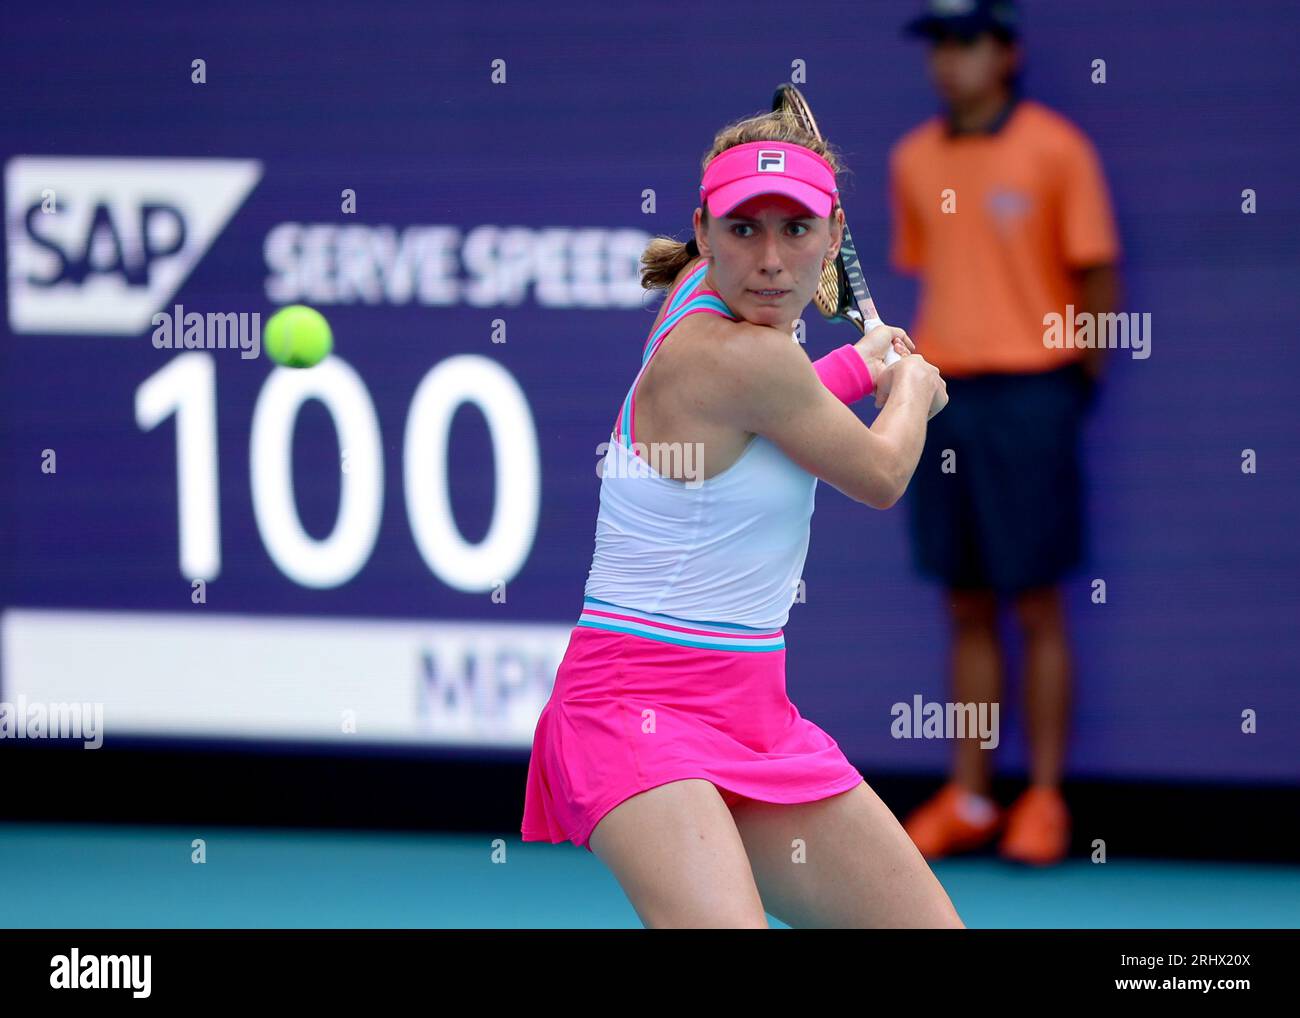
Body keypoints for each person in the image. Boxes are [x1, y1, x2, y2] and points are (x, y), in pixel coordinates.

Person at [521, 106, 958, 928]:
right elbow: (880, 472)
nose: (768, 260)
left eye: (795, 230)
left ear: (834, 238)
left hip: (754, 714)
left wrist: (855, 367)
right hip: (629, 709)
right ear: (703, 230)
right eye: (743, 228)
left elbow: (764, 421)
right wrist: (910, 393)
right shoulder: (740, 354)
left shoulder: (706, 299)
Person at [889, 0, 1122, 866]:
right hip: (947, 397)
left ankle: (1048, 802)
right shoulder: (913, 159)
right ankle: (974, 796)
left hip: (1035, 395)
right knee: (965, 603)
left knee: (1038, 603)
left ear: (1006, 53)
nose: (949, 62)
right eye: (939, 46)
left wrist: (1070, 387)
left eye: (967, 43)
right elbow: (934, 272)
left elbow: (1097, 274)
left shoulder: (1059, 150)